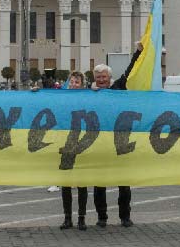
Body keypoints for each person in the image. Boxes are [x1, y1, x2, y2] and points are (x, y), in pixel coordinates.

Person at [91, 42, 142, 228]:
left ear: (109, 77)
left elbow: (130, 71)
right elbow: (64, 97)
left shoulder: (119, 87)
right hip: (99, 144)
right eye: (98, 77)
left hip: (120, 142)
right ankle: (102, 217)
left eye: (104, 77)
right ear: (95, 78)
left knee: (123, 184)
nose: (101, 80)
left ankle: (125, 217)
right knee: (99, 184)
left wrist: (138, 52)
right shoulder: (88, 94)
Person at [59, 71, 90, 230]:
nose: (73, 84)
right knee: (65, 183)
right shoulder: (62, 98)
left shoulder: (87, 98)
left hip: (81, 143)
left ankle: (81, 218)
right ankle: (67, 218)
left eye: (77, 82)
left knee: (81, 183)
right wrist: (36, 91)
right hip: (67, 143)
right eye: (71, 82)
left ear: (82, 85)